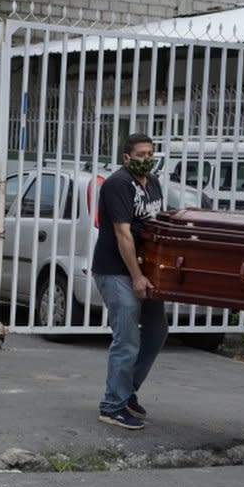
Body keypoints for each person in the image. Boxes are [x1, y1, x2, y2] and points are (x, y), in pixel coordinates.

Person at [91, 133, 168, 430]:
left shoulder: (154, 183)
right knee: (127, 338)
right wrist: (136, 276)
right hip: (116, 270)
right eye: (140, 154)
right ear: (126, 158)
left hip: (145, 269)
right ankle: (112, 406)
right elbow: (123, 234)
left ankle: (126, 392)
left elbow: (156, 223)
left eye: (150, 152)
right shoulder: (117, 185)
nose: (147, 158)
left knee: (157, 330)